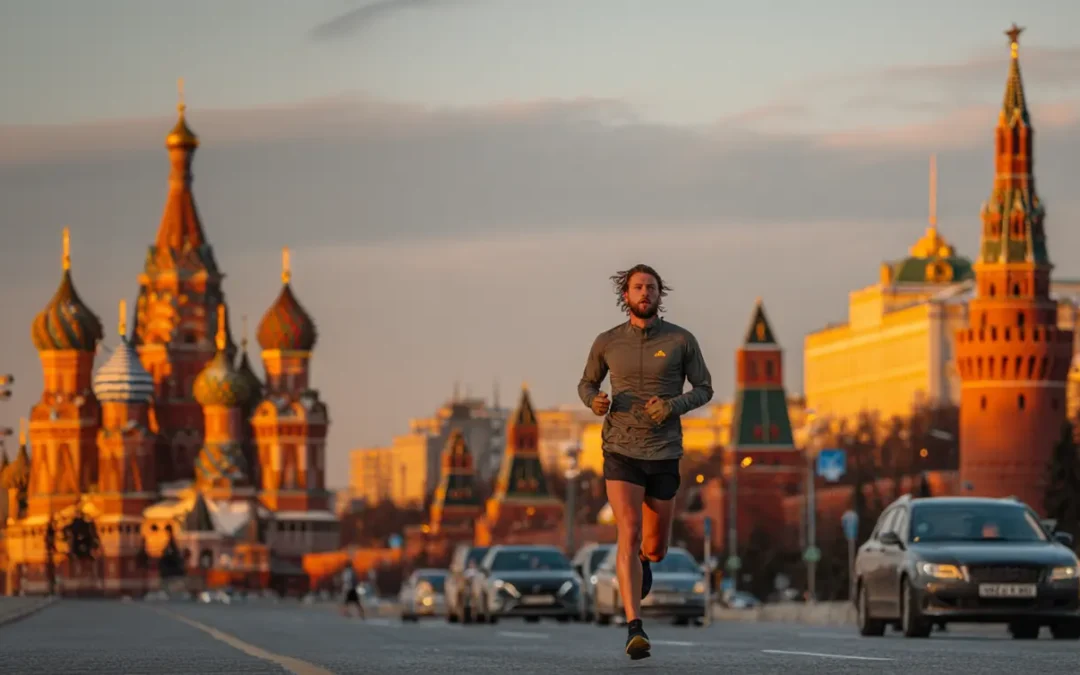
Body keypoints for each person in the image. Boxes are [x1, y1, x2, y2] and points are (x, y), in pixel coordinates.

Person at [578, 264, 713, 660]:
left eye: (651, 287)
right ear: (626, 295)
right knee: (629, 530)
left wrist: (673, 406)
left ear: (659, 295)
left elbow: (704, 388)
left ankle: (643, 562)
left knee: (654, 547)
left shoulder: (680, 341)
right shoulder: (607, 342)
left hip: (665, 452)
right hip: (620, 449)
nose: (645, 293)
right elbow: (587, 383)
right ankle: (634, 627)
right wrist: (594, 401)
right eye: (638, 287)